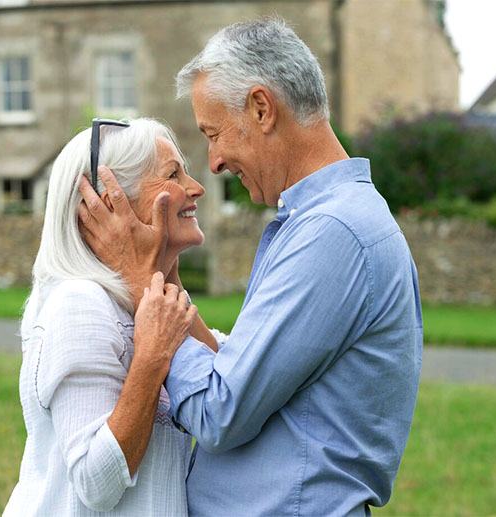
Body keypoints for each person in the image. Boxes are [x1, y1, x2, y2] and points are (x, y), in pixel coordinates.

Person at [78, 18, 423, 516]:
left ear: (262, 109)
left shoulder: (334, 233)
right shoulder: (325, 222)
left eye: (214, 134)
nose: (213, 162)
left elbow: (220, 408)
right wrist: (161, 274)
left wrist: (138, 278)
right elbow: (242, 375)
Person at [3, 118, 222, 516]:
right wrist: (152, 357)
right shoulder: (80, 304)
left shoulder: (140, 302)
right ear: (108, 202)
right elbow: (93, 481)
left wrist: (159, 277)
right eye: (173, 174)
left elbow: (227, 385)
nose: (196, 187)